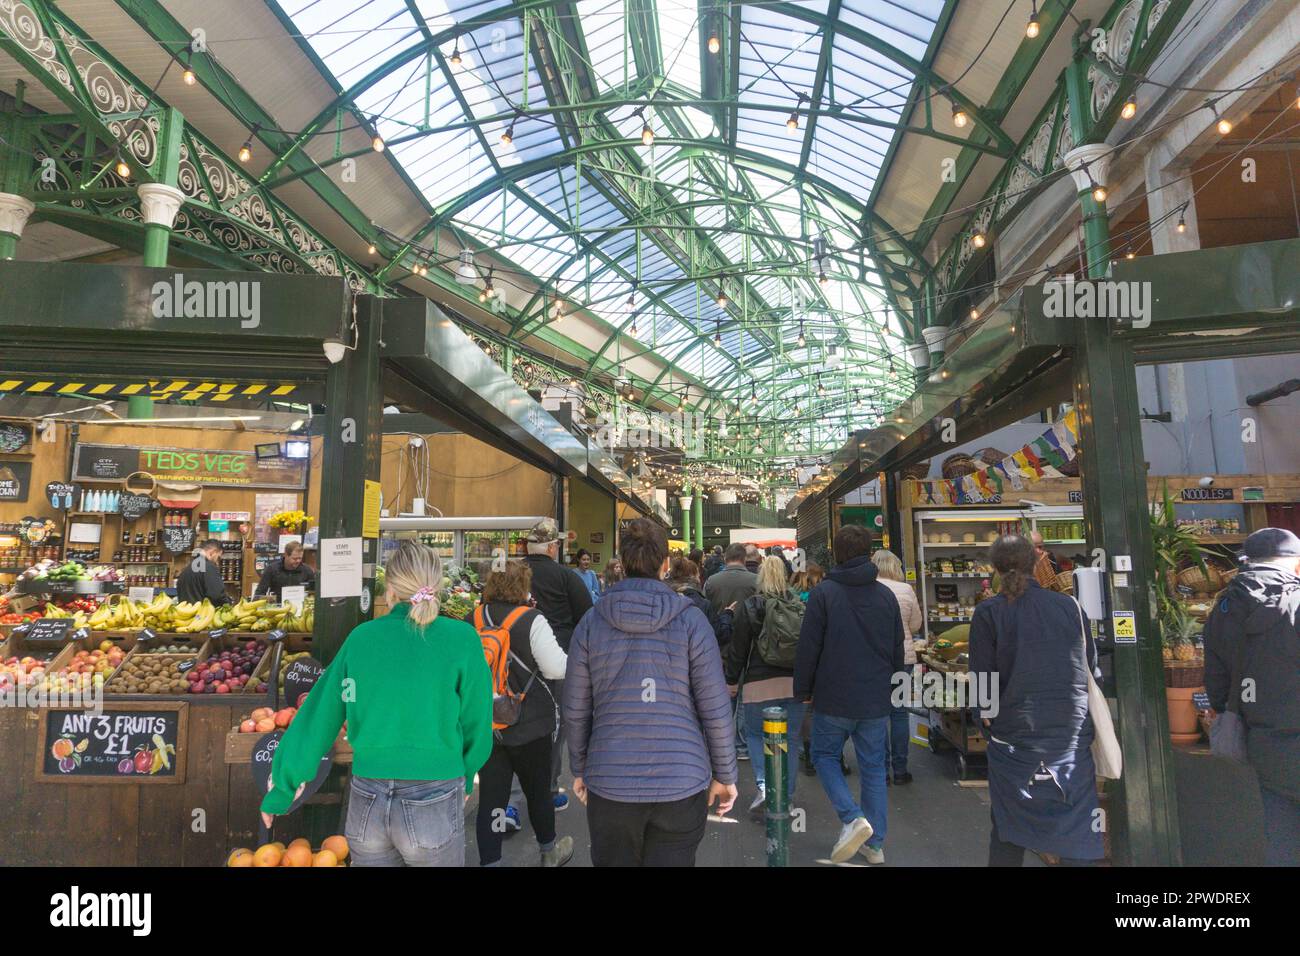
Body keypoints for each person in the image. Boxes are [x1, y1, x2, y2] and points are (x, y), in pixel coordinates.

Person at [260, 541, 492, 866]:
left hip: (367, 799)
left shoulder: (362, 638)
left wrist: (282, 787)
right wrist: (467, 775)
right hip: (436, 797)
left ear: (391, 588)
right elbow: (477, 724)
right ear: (438, 585)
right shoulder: (462, 639)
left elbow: (320, 714)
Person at [563, 518, 738, 865]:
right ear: (664, 565)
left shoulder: (591, 622)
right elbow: (714, 707)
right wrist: (725, 774)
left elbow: (576, 707)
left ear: (622, 563)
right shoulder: (691, 621)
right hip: (682, 779)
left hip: (610, 779)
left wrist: (579, 767)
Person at [969, 533, 1102, 867]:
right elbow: (1091, 668)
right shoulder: (1070, 606)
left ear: (996, 568)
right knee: (1075, 825)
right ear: (1036, 562)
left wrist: (985, 717)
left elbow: (983, 679)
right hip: (1069, 732)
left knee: (1007, 825)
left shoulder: (989, 612)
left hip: (1015, 735)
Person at [795, 525, 902, 864]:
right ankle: (875, 844)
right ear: (869, 552)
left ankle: (852, 817)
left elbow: (808, 648)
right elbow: (897, 648)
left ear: (837, 553)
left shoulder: (824, 594)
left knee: (824, 756)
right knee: (872, 768)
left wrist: (804, 690)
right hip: (875, 697)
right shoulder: (885, 595)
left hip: (833, 695)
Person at [1203, 528, 1300, 866]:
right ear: (1294, 563)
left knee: (1279, 835)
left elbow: (1216, 682)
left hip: (1262, 741)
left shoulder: (1224, 608)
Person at [471, 561, 573, 868]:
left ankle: (491, 861)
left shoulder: (472, 617)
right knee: (538, 791)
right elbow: (556, 668)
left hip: (485, 722)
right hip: (529, 723)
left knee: (491, 798)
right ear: (523, 586)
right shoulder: (531, 619)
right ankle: (549, 851)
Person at [725, 556, 806, 819]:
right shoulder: (798, 604)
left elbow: (738, 649)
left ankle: (765, 789)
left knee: (756, 737)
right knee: (790, 741)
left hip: (758, 683)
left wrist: (731, 681)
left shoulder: (750, 606)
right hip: (794, 683)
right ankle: (786, 795)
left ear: (760, 576)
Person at [523, 518, 594, 812]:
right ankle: (549, 789)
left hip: (513, 661)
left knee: (511, 720)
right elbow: (587, 617)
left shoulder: (512, 572)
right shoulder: (566, 577)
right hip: (558, 660)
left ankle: (511, 796)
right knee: (555, 724)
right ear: (552, 547)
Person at [872, 549, 924, 785]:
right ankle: (900, 769)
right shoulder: (906, 589)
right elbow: (915, 625)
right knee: (899, 711)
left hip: (876, 658)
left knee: (879, 714)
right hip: (903, 657)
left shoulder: (869, 589)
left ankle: (881, 771)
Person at [667, 556, 717, 636]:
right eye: (698, 575)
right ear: (693, 576)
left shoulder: (663, 597)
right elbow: (715, 634)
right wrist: (727, 616)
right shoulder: (703, 603)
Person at [704, 542, 758, 616]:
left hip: (718, 625)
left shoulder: (711, 581)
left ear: (725, 558)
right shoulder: (756, 580)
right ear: (744, 559)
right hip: (749, 626)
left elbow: (705, 608)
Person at [175, 539, 232, 605]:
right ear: (212, 552)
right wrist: (228, 604)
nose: (217, 561)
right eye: (218, 557)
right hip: (203, 613)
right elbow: (217, 595)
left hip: (186, 612)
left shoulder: (187, 569)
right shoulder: (209, 567)